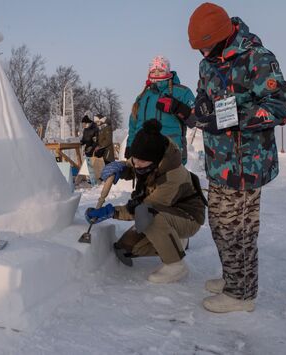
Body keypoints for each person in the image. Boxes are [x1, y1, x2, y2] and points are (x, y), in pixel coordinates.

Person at [187, 2, 286, 312]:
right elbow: (203, 96)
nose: (203, 54)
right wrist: (202, 108)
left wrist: (230, 116)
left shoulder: (257, 58)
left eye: (206, 47)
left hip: (247, 163)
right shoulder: (208, 63)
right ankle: (232, 277)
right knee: (219, 222)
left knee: (239, 229)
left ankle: (241, 294)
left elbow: (279, 105)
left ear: (222, 36)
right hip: (218, 161)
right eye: (199, 49)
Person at [86, 120, 205, 283]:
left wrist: (112, 212)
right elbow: (136, 163)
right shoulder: (148, 158)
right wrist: (122, 167)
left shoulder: (172, 175)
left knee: (147, 214)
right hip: (165, 212)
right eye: (135, 158)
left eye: (142, 161)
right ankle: (175, 240)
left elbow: (146, 207)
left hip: (188, 216)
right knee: (125, 248)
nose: (136, 164)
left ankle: (175, 265)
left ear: (155, 160)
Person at [125, 55, 195, 165]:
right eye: (153, 70)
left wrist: (178, 107)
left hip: (170, 151)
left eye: (160, 70)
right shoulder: (142, 97)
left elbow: (196, 120)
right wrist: (130, 146)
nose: (156, 73)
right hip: (144, 153)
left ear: (167, 71)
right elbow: (133, 126)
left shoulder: (181, 92)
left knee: (170, 181)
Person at [80, 115, 99, 186]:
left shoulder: (95, 129)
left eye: (84, 124)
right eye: (82, 124)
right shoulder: (85, 130)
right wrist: (82, 142)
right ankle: (92, 180)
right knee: (89, 167)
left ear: (88, 123)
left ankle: (94, 182)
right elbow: (84, 139)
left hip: (94, 150)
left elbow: (96, 141)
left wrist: (92, 147)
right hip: (87, 150)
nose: (83, 125)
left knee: (92, 167)